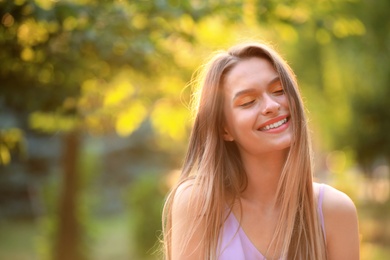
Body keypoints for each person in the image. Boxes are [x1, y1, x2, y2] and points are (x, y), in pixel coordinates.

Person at [161, 42, 360, 260]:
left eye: (279, 90)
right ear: (225, 129)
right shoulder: (199, 203)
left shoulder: (335, 211)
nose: (271, 105)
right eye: (248, 102)